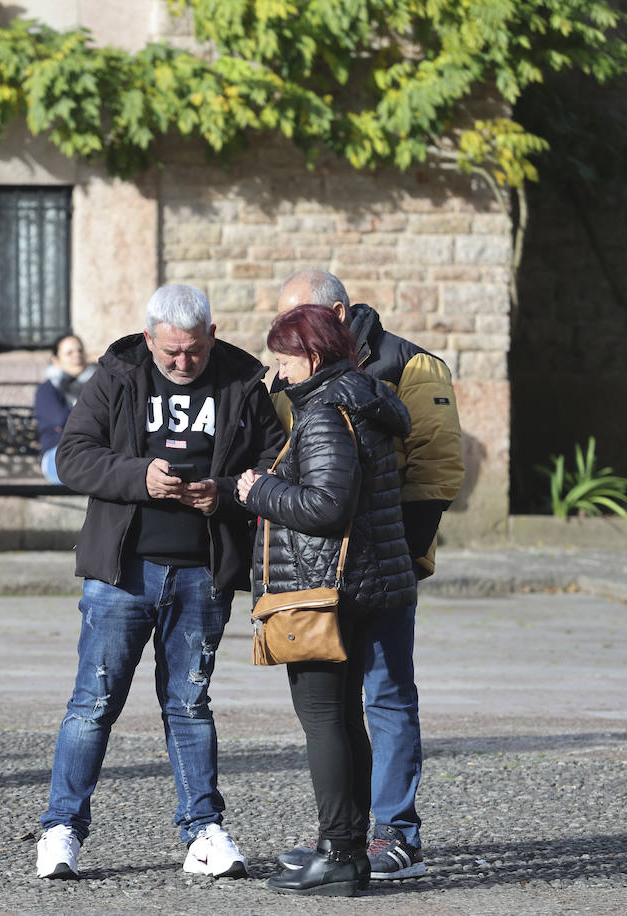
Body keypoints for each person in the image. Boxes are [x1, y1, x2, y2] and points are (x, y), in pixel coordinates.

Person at [35, 284, 286, 880]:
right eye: (170, 352)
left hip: (202, 571)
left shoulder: (241, 383)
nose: (181, 363)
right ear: (149, 339)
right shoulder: (119, 375)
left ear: (212, 335)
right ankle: (61, 829)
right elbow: (73, 455)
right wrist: (136, 476)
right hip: (122, 572)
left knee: (190, 704)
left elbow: (277, 461)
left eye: (194, 352)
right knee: (92, 705)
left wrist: (223, 493)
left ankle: (203, 832)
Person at [273, 269, 464, 879]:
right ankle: (344, 841)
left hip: (380, 563)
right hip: (320, 571)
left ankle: (395, 833)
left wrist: (403, 555)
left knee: (384, 694)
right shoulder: (297, 364)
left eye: (298, 315)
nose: (284, 333)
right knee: (336, 708)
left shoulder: (413, 366)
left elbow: (435, 468)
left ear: (335, 311)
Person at [237, 304, 416, 895]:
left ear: (311, 356)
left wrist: (260, 489)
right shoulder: (365, 396)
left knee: (324, 719)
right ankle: (353, 848)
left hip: (328, 592)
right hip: (367, 584)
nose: (278, 372)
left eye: (284, 359)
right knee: (343, 718)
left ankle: (340, 852)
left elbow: (326, 506)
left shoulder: (322, 412)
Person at [33, 333, 95, 484]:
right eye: (69, 353)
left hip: (93, 451)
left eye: (80, 351)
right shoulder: (47, 390)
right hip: (58, 452)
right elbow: (62, 420)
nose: (77, 356)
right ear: (56, 360)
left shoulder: (96, 385)